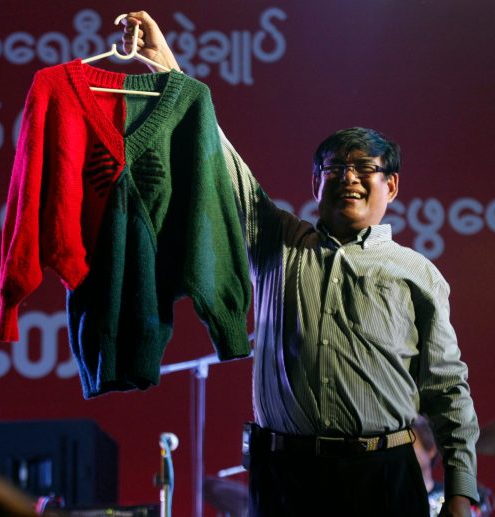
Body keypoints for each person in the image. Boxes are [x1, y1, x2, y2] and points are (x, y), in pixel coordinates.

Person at [121, 12, 479, 516]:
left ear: (391, 186)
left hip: (383, 477)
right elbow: (222, 162)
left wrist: (460, 489)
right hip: (286, 478)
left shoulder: (417, 273)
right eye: (335, 168)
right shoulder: (276, 241)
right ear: (316, 183)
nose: (348, 178)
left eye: (365, 168)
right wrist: (167, 69)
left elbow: (446, 387)